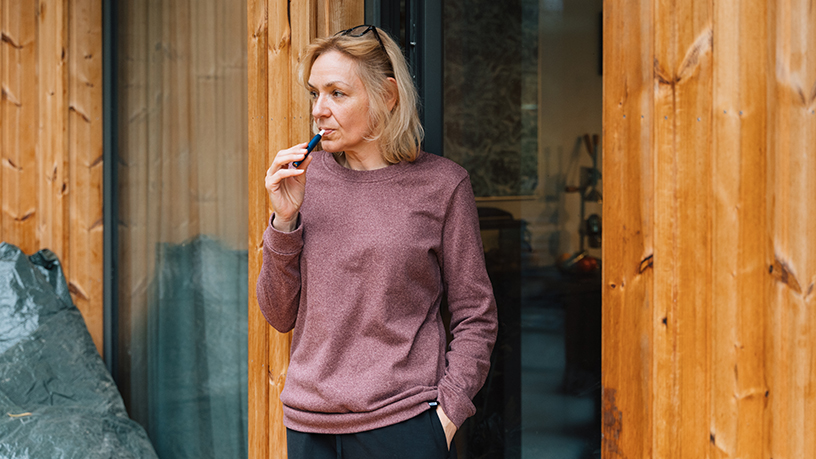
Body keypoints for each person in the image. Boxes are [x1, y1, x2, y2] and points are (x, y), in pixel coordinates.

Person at [257, 24, 498, 459]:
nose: (319, 110)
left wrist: (446, 416)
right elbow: (278, 314)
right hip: (310, 427)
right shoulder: (303, 181)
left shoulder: (443, 185)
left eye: (337, 93)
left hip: (403, 424)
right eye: (315, 94)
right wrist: (284, 219)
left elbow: (476, 315)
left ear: (387, 96)